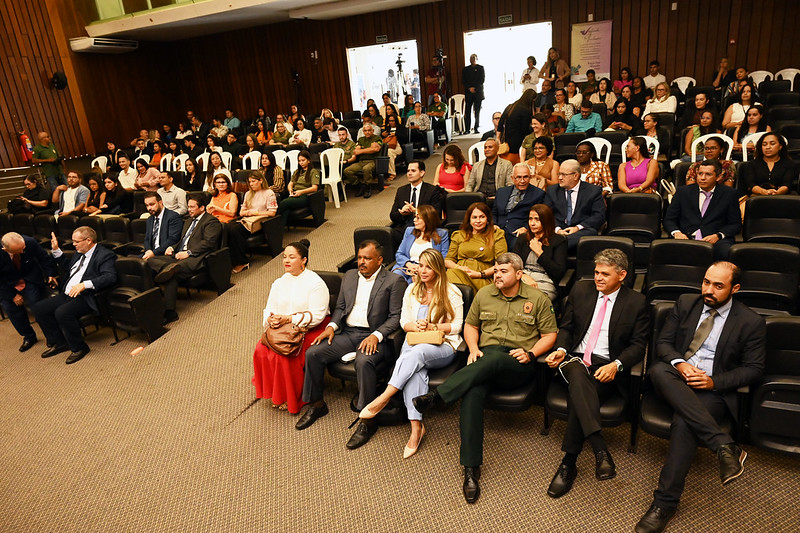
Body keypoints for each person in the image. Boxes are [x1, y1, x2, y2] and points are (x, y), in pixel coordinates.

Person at [412, 252, 557, 503]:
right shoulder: (484, 294)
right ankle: (471, 469)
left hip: (517, 364)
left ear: (519, 274)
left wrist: (532, 354)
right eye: (496, 271)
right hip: (484, 359)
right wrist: (474, 348)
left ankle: (439, 396)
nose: (497, 275)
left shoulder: (537, 298)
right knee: (472, 393)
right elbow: (471, 326)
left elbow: (550, 334)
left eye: (504, 271)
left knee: (498, 358)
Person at [634, 262, 765, 533]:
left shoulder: (751, 321)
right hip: (675, 378)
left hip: (711, 390)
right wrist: (681, 364)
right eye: (706, 282)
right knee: (659, 369)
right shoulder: (686, 303)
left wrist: (712, 381)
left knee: (685, 423)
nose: (709, 289)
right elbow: (663, 345)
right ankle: (723, 445)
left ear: (735, 288)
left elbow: (754, 369)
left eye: (718, 286)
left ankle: (665, 503)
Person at [544, 249, 649, 498]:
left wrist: (617, 365)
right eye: (596, 272)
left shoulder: (636, 303)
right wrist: (560, 349)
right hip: (572, 359)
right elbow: (567, 328)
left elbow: (638, 345)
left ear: (622, 275)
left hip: (606, 366)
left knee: (582, 391)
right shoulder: (581, 291)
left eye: (605, 274)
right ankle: (597, 449)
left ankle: (569, 464)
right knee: (579, 375)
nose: (598, 278)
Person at [297, 240, 406, 450]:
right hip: (348, 332)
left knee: (364, 362)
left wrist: (376, 335)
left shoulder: (394, 281)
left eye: (367, 258)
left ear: (380, 260)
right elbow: (340, 307)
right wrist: (331, 326)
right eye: (359, 257)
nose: (361, 262)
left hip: (374, 336)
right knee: (313, 353)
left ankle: (368, 419)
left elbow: (395, 317)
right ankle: (316, 404)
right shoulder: (349, 276)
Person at [360, 248, 463, 457]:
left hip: (443, 346)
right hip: (415, 341)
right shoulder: (411, 291)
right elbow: (403, 322)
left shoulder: (452, 292)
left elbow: (458, 325)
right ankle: (417, 428)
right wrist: (415, 326)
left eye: (428, 267)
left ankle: (385, 397)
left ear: (438, 268)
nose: (422, 271)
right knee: (415, 371)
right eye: (420, 266)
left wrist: (434, 326)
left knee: (414, 356)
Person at [252, 240, 330, 413]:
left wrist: (288, 319)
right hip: (284, 327)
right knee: (261, 349)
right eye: (284, 257)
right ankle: (274, 393)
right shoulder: (279, 282)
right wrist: (271, 320)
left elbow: (317, 316)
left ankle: (292, 397)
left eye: (292, 257)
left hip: (311, 328)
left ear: (303, 260)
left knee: (284, 354)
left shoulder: (315, 283)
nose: (286, 260)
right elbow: (269, 307)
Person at [33, 227, 117, 364]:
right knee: (39, 309)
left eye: (76, 241)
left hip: (87, 297)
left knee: (62, 313)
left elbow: (110, 277)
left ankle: (79, 348)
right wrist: (56, 250)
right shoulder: (79, 253)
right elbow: (69, 267)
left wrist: (85, 284)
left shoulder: (105, 255)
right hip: (68, 294)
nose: (73, 244)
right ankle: (60, 342)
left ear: (88, 240)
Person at [147, 194, 222, 323]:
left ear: (202, 207)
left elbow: (208, 243)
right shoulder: (188, 221)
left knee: (172, 275)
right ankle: (167, 269)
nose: (189, 209)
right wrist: (172, 247)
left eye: (192, 207)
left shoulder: (211, 221)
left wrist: (189, 252)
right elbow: (182, 240)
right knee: (148, 261)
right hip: (178, 256)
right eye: (188, 207)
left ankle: (170, 312)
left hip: (195, 258)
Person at [663, 159, 741, 260]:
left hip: (716, 239)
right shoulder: (683, 192)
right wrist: (676, 232)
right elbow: (669, 219)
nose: (702, 178)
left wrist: (718, 235)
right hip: (686, 236)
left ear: (718, 177)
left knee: (727, 252)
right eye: (700, 174)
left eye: (708, 174)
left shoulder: (729, 194)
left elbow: (735, 224)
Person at [0, 232, 57, 352]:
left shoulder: (29, 242)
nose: (22, 252)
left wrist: (51, 274)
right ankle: (29, 337)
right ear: (5, 249)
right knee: (12, 310)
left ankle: (52, 337)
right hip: (7, 283)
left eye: (23, 248)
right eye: (18, 250)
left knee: (37, 306)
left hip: (29, 277)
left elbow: (44, 258)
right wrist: (12, 295)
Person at [544, 159, 606, 250]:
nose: (560, 178)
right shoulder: (552, 191)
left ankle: (557, 245)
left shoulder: (593, 191)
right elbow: (547, 214)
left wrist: (577, 228)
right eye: (559, 174)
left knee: (590, 232)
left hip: (580, 230)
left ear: (576, 176)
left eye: (564, 175)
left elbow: (599, 216)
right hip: (558, 230)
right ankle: (560, 244)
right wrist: (558, 229)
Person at [445, 202, 507, 291]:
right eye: (474, 217)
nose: (478, 221)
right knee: (450, 274)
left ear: (488, 219)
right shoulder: (459, 234)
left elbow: (501, 264)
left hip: (482, 277)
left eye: (482, 217)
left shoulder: (497, 234)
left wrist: (479, 274)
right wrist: (459, 268)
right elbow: (448, 260)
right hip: (459, 272)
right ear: (469, 220)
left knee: (451, 281)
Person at [511, 204, 567, 301]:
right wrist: (524, 276)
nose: (532, 223)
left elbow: (558, 272)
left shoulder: (558, 240)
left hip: (545, 282)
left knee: (529, 303)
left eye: (537, 219)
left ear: (546, 221)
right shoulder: (523, 238)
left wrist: (540, 253)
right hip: (522, 279)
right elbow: (513, 265)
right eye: (530, 219)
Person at [228, 172, 278, 274]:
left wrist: (255, 212)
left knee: (234, 231)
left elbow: (272, 212)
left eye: (253, 181)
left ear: (261, 181)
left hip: (261, 221)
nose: (251, 184)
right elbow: (241, 211)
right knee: (227, 228)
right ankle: (231, 260)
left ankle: (242, 262)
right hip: (248, 219)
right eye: (249, 182)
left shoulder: (269, 193)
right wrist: (246, 212)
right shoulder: (248, 193)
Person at [388, 160, 445, 245]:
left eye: (413, 171)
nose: (409, 173)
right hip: (404, 227)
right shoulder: (401, 191)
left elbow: (436, 214)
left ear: (422, 173)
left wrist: (416, 211)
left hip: (425, 227)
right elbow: (393, 215)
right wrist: (402, 213)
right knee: (385, 235)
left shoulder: (432, 190)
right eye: (408, 171)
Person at [392, 204, 450, 284]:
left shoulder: (442, 234)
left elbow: (443, 258)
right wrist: (409, 264)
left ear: (428, 220)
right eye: (415, 217)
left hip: (428, 269)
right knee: (395, 281)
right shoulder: (409, 231)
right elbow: (399, 254)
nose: (414, 220)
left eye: (418, 218)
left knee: (413, 284)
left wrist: (421, 268)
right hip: (407, 266)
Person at [738, 133, 794, 215]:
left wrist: (777, 193)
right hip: (754, 199)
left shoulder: (789, 164)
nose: (768, 147)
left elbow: (787, 184)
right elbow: (751, 185)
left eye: (772, 144)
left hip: (781, 197)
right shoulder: (750, 165)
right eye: (764, 144)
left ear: (780, 146)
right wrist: (765, 192)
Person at [493, 163, 546, 248]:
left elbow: (541, 217)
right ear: (512, 178)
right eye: (518, 177)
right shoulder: (501, 192)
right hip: (498, 230)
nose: (522, 181)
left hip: (519, 232)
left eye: (525, 177)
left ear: (530, 177)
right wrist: (494, 224)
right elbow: (494, 213)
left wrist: (526, 228)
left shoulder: (538, 194)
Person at [277, 150, 320, 226]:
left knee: (284, 203)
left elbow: (314, 188)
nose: (301, 163)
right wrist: (290, 190)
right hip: (294, 193)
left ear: (309, 160)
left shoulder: (313, 171)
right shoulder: (297, 171)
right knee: (286, 210)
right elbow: (290, 183)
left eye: (303, 160)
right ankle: (280, 229)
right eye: (299, 161)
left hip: (305, 196)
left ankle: (272, 220)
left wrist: (301, 192)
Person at [141, 192, 183, 261]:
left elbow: (173, 239)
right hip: (151, 254)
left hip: (165, 254)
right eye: (147, 205)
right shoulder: (150, 219)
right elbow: (147, 239)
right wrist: (148, 250)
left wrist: (154, 253)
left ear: (160, 202)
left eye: (152, 204)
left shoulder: (173, 217)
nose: (149, 208)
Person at [343, 123, 382, 198]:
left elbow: (376, 149)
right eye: (365, 131)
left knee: (366, 169)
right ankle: (360, 185)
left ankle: (368, 187)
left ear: (373, 130)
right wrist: (370, 149)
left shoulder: (377, 138)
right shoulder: (361, 139)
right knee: (347, 171)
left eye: (369, 130)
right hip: (361, 162)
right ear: (363, 132)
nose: (367, 132)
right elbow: (355, 151)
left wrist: (362, 150)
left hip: (372, 161)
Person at [498, 89, 537, 163]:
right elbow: (524, 129)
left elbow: (501, 123)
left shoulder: (511, 106)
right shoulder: (525, 110)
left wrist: (498, 137)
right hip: (518, 140)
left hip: (506, 138)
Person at [462, 53, 485, 133]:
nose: (472, 60)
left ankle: (476, 127)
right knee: (467, 111)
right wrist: (469, 88)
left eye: (474, 58)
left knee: (477, 111)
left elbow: (482, 80)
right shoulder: (465, 69)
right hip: (469, 93)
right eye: (471, 58)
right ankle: (467, 129)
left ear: (477, 59)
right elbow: (464, 81)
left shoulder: (481, 68)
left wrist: (474, 88)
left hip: (478, 93)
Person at [381, 114, 407, 182]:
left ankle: (392, 173)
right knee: (386, 151)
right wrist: (383, 135)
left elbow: (405, 138)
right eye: (390, 121)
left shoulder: (401, 128)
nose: (391, 122)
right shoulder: (387, 129)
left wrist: (395, 134)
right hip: (388, 145)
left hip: (398, 146)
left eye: (393, 121)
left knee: (389, 152)